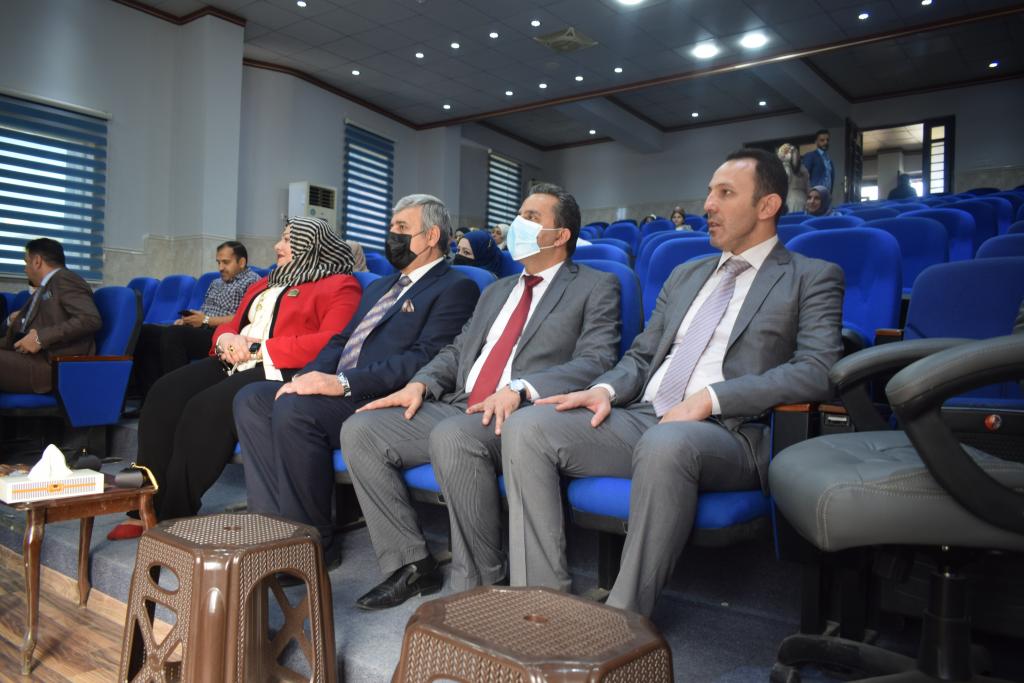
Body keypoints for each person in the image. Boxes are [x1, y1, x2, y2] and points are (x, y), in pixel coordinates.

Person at [501, 149, 844, 616]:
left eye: (725, 193)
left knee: (667, 442)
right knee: (527, 427)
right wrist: (603, 390)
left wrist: (711, 398)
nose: (709, 204)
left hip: (729, 432)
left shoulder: (811, 277)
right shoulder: (686, 275)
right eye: (709, 192)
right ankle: (541, 603)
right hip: (644, 417)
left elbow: (817, 369)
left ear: (768, 206)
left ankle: (624, 621)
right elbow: (642, 356)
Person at [340, 183, 621, 610]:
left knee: (455, 436)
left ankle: (483, 583)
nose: (518, 223)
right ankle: (411, 564)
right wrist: (421, 383)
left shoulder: (596, 285)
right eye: (519, 214)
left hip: (522, 411)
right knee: (361, 429)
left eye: (532, 217)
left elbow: (596, 360)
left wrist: (521, 388)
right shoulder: (497, 290)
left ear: (561, 235)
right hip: (461, 402)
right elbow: (457, 350)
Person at [233, 195, 479, 572]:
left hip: (383, 395)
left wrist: (343, 382)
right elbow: (340, 341)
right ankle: (273, 526)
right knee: (252, 398)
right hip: (342, 386)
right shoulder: (380, 287)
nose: (392, 235)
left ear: (432, 236)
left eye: (402, 228)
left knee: (296, 409)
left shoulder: (456, 287)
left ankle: (312, 544)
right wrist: (307, 375)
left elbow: (424, 358)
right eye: (391, 227)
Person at [107, 217, 360, 540]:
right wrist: (225, 339)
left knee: (205, 407)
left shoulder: (340, 285)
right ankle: (143, 504)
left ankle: (172, 512)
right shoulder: (266, 282)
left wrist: (260, 348)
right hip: (234, 358)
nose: (277, 246)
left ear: (312, 244)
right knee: (164, 392)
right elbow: (232, 324)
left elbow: (332, 342)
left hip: (278, 368)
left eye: (287, 240)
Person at [133, 241, 259, 401]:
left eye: (226, 262)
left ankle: (175, 398)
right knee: (146, 333)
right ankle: (150, 397)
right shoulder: (216, 283)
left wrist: (206, 320)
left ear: (241, 262)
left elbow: (243, 317)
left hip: (223, 336)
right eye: (218, 262)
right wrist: (191, 319)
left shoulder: (253, 282)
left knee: (174, 335)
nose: (220, 267)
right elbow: (205, 311)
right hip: (203, 328)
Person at [0, 239, 101, 393]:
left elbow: (90, 319)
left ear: (37, 261)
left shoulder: (64, 279)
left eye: (27, 262)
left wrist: (40, 339)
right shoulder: (44, 288)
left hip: (51, 366)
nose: (25, 269)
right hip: (30, 358)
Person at [777, 143, 810, 213]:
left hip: (792, 200)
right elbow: (808, 187)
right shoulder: (803, 168)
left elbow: (784, 183)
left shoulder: (786, 168)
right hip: (803, 199)